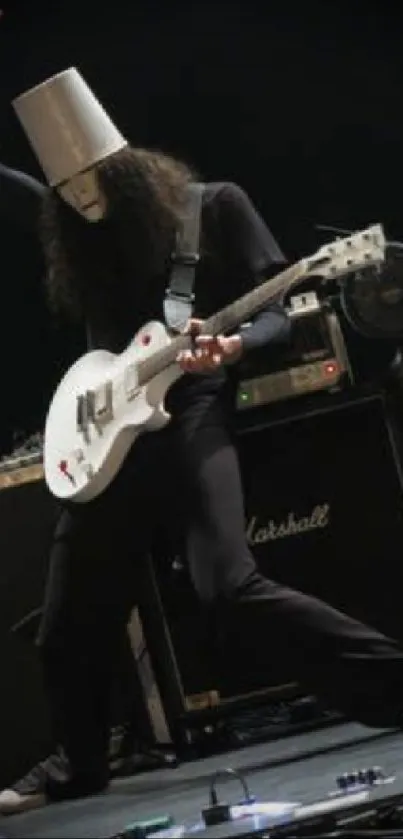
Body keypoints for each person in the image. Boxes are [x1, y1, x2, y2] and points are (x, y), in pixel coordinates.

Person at [2, 66, 403, 815]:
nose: (83, 201)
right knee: (65, 626)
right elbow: (103, 352)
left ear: (122, 167)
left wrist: (233, 346)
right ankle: (79, 764)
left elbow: (283, 310)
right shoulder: (86, 244)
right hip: (113, 435)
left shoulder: (210, 208)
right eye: (69, 195)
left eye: (92, 183)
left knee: (228, 585)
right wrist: (91, 411)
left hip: (192, 413)